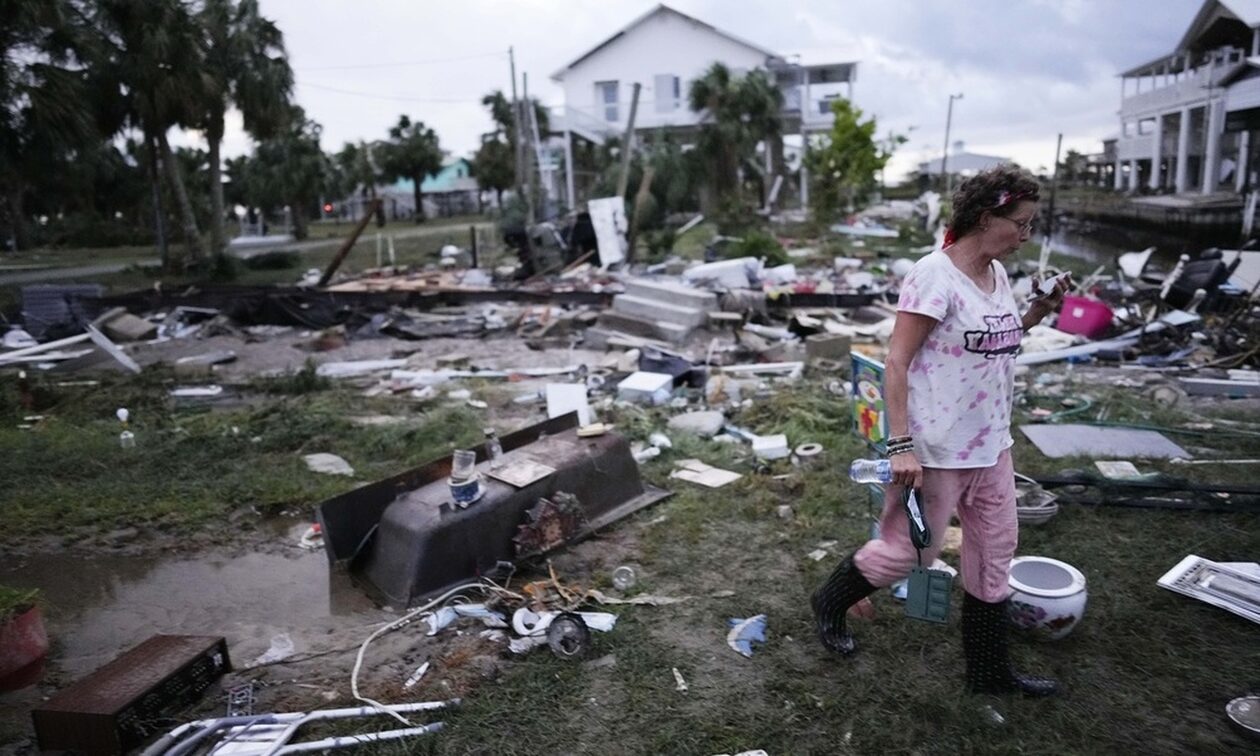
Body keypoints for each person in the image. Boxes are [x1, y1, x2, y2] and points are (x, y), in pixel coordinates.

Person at [810, 165, 1071, 696]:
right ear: (984, 217)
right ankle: (829, 602)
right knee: (909, 554)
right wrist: (901, 445)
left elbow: (994, 338)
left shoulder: (996, 274)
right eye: (1019, 224)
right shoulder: (934, 275)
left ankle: (989, 674)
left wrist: (1038, 311)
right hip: (936, 452)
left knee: (996, 553)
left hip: (992, 445)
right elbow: (897, 361)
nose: (1026, 235)